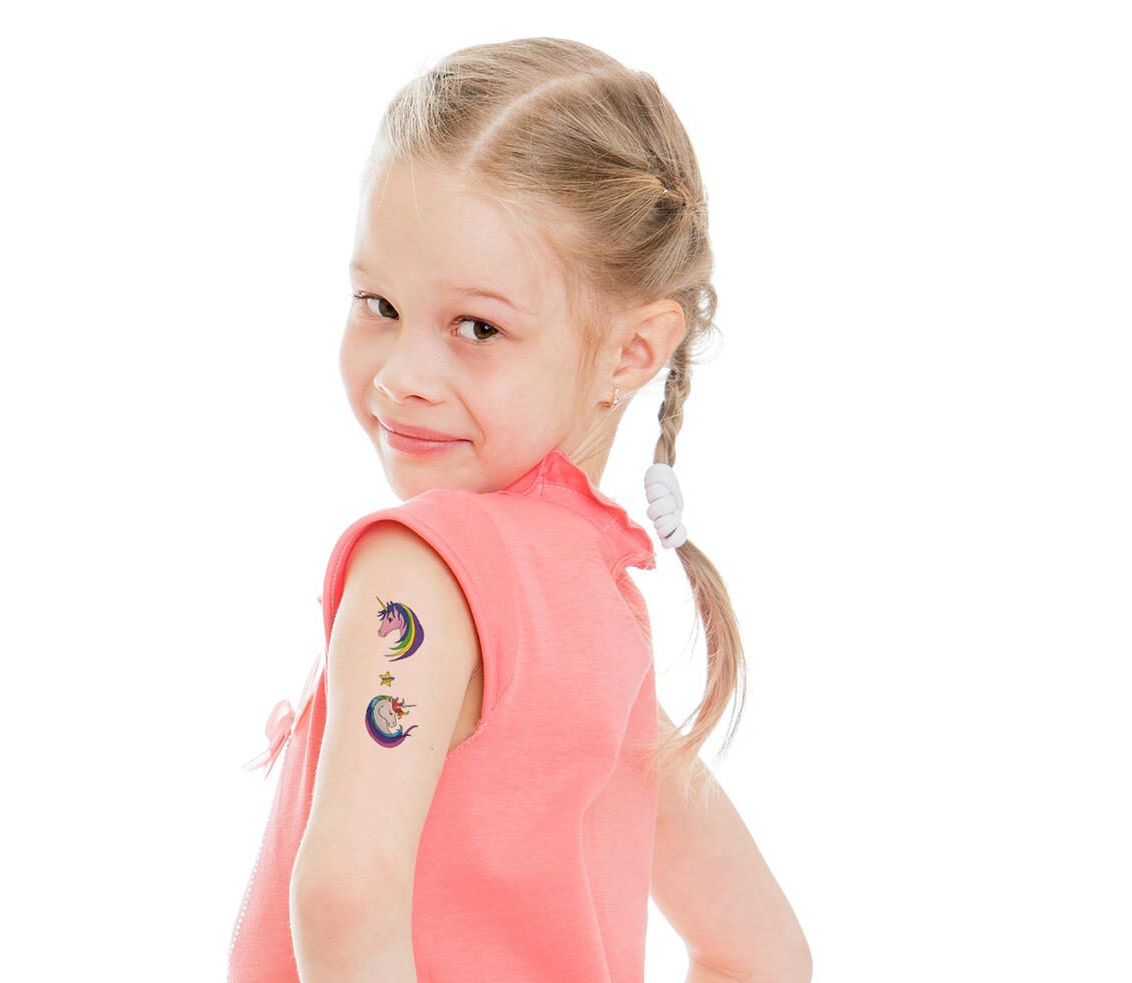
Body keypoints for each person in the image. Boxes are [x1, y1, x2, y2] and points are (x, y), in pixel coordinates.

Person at [228, 37, 811, 983]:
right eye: (378, 303)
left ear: (631, 353)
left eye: (477, 327)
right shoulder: (602, 609)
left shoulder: (422, 567)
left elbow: (343, 892)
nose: (404, 375)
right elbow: (764, 951)